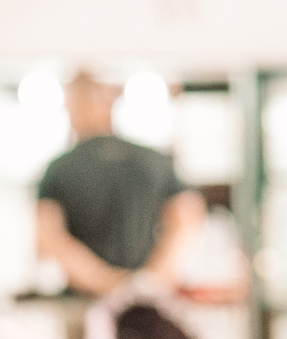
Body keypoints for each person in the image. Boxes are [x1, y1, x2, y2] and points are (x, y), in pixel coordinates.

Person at [34, 70, 204, 296]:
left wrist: (100, 280)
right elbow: (187, 217)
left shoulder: (60, 167)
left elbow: (48, 234)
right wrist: (152, 280)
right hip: (146, 299)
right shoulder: (152, 159)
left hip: (87, 300)